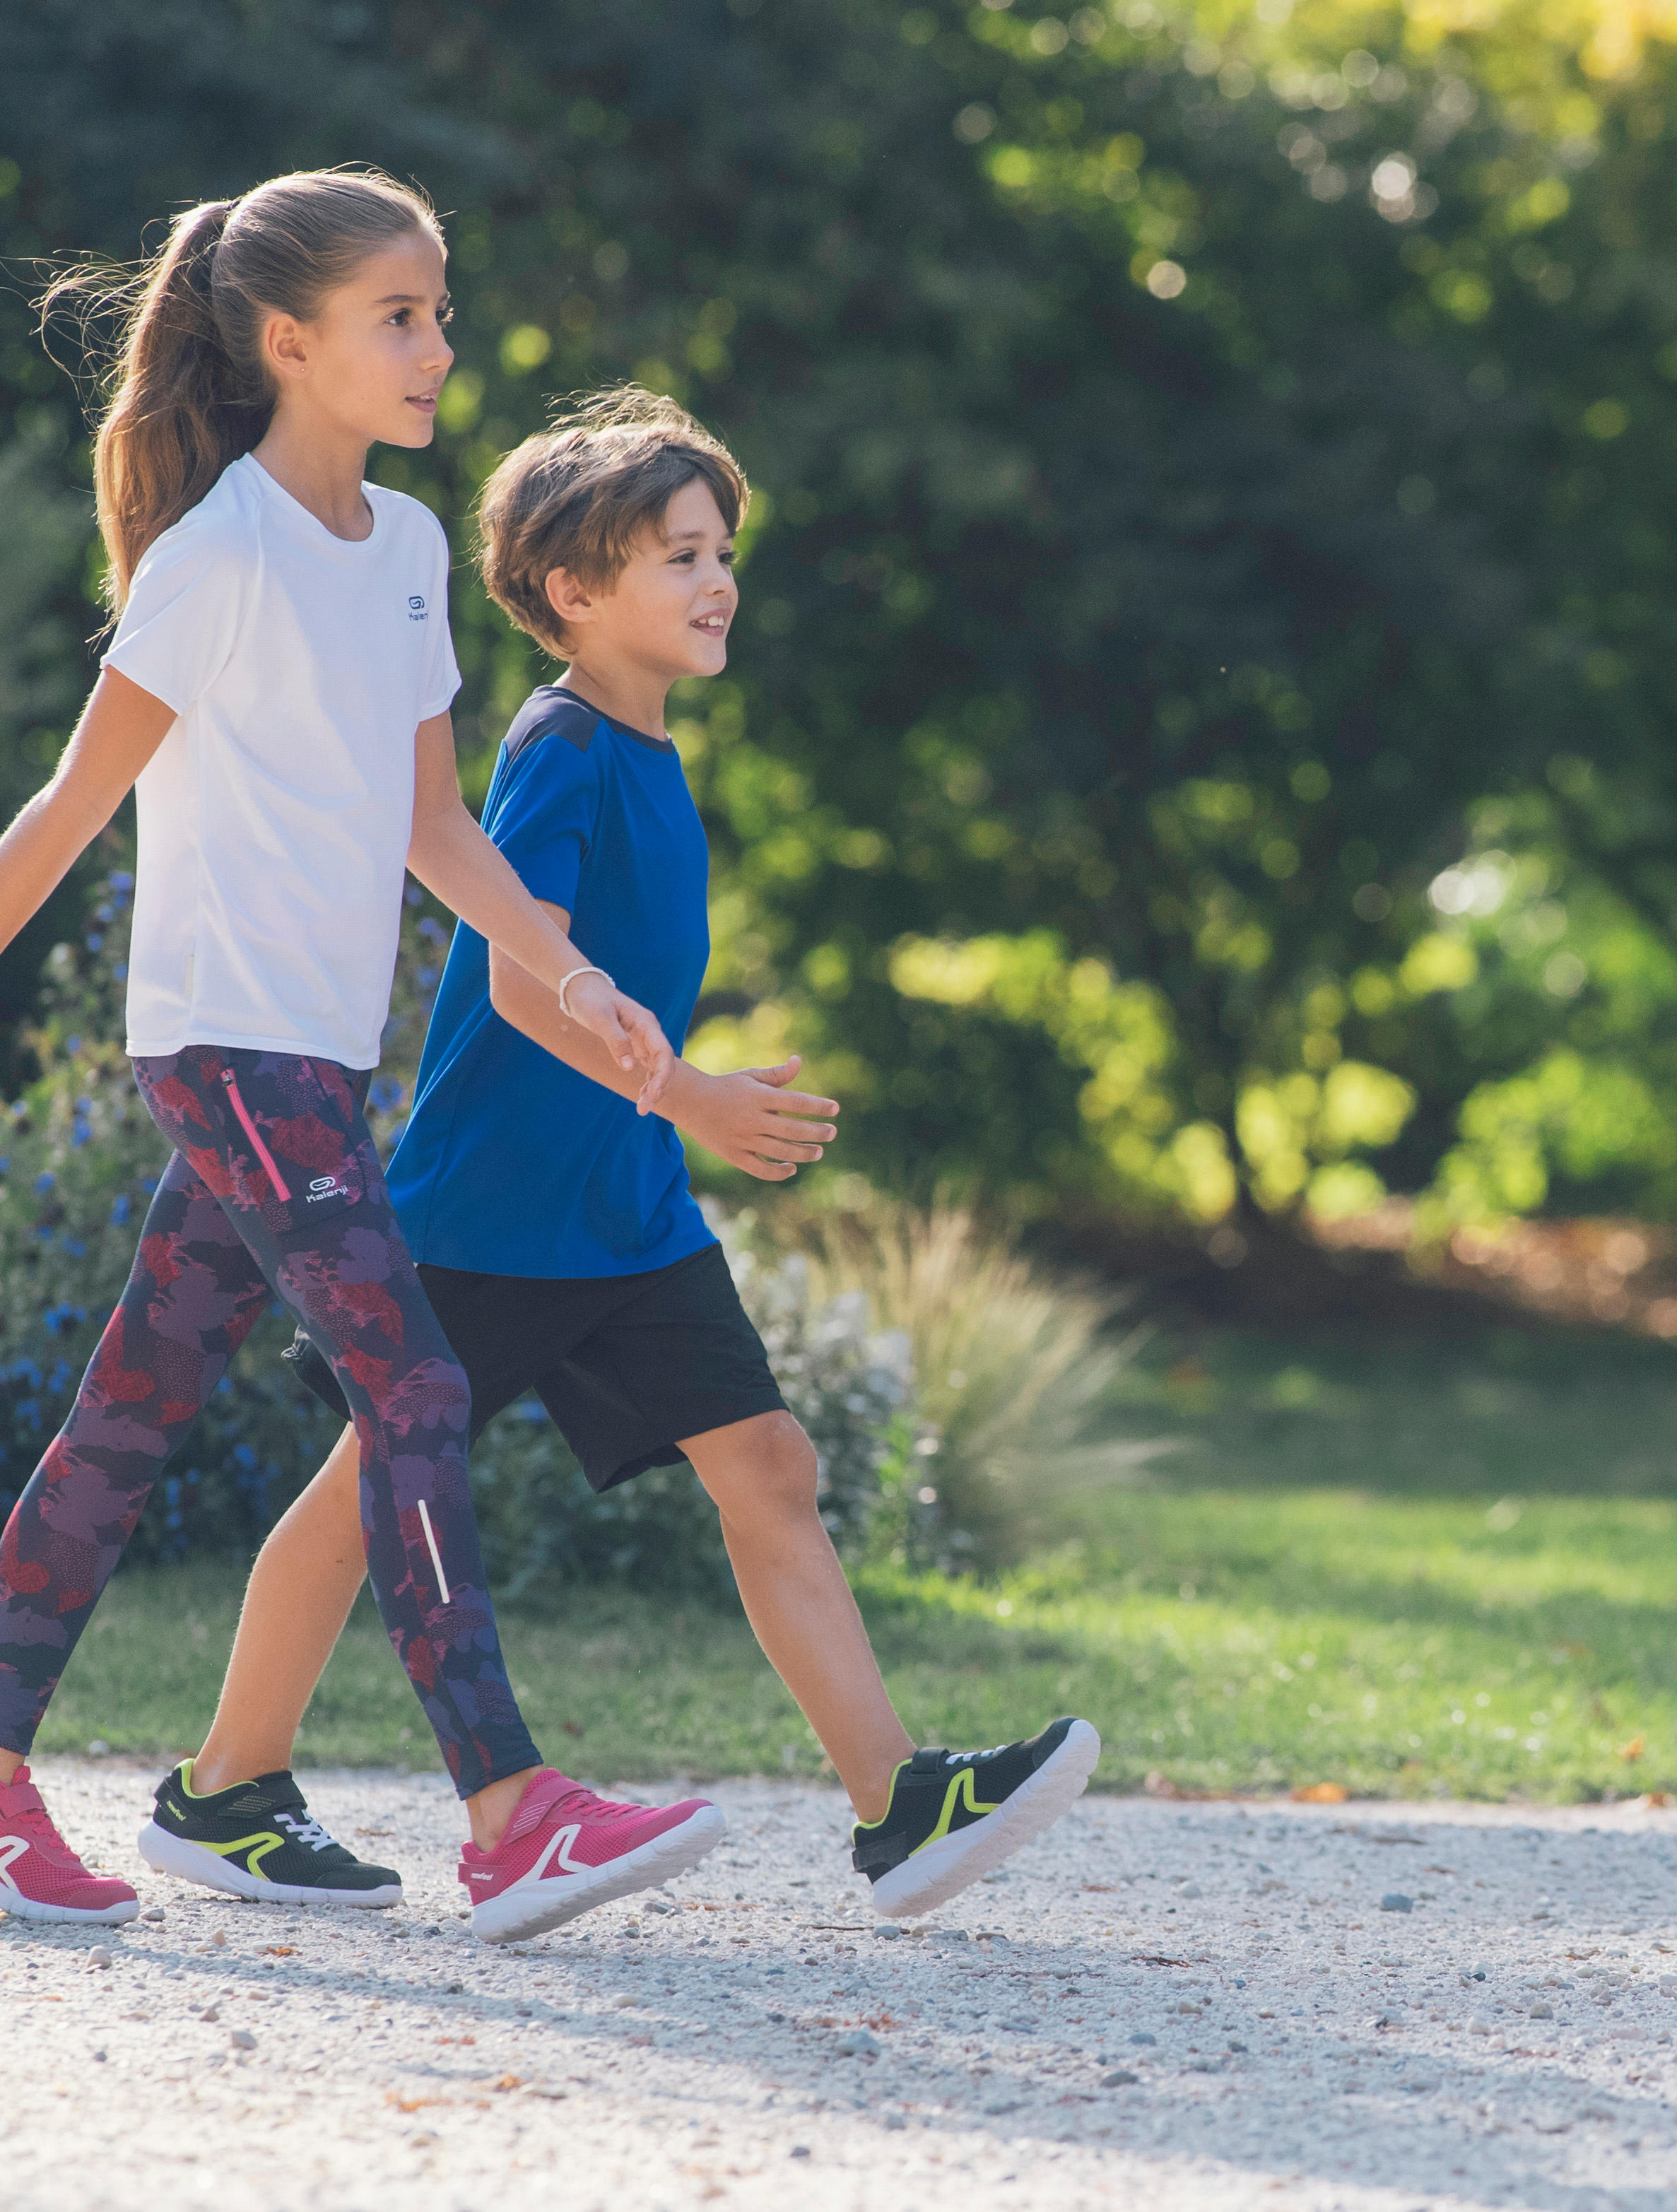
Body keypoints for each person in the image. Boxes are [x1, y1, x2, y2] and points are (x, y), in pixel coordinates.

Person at [0, 170, 725, 1943]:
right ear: (288, 341)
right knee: (422, 1392)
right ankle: (514, 1808)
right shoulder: (218, 556)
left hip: (315, 1056)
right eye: (402, 317)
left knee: (127, 1419)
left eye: (442, 312)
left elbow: (431, 826)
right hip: (229, 1049)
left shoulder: (395, 553)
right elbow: (76, 798)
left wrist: (570, 971)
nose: (439, 347)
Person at [159, 387, 1100, 1926]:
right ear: (575, 592)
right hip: (497, 1217)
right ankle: (227, 1789)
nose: (717, 578)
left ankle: (899, 1808)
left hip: (623, 1218)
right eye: (678, 554)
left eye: (721, 549)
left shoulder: (648, 754)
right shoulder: (566, 749)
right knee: (363, 1499)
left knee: (772, 1470)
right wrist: (695, 1103)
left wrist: (667, 1132)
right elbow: (530, 977)